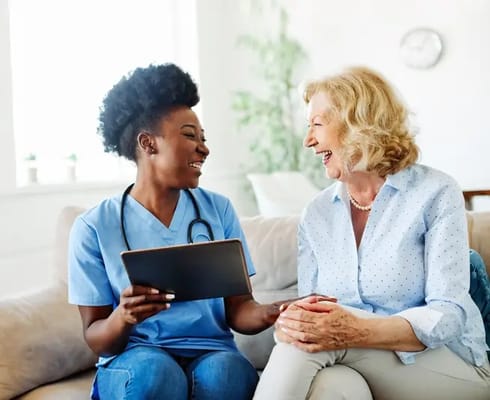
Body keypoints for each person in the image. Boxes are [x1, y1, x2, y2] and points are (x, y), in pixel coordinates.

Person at [253, 66, 490, 399]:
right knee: (330, 387)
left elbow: (447, 315)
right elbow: (313, 313)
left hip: (445, 365)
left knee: (306, 347)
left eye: (317, 125)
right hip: (357, 363)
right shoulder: (316, 214)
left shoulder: (434, 192)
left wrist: (354, 330)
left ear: (357, 123)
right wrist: (292, 326)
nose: (308, 140)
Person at [68, 63, 293, 400]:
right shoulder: (93, 227)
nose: (204, 149)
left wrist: (272, 311)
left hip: (211, 351)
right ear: (148, 143)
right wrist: (123, 317)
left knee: (227, 375)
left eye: (203, 139)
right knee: (157, 373)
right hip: (136, 357)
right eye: (190, 135)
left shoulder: (218, 210)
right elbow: (96, 336)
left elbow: (239, 309)